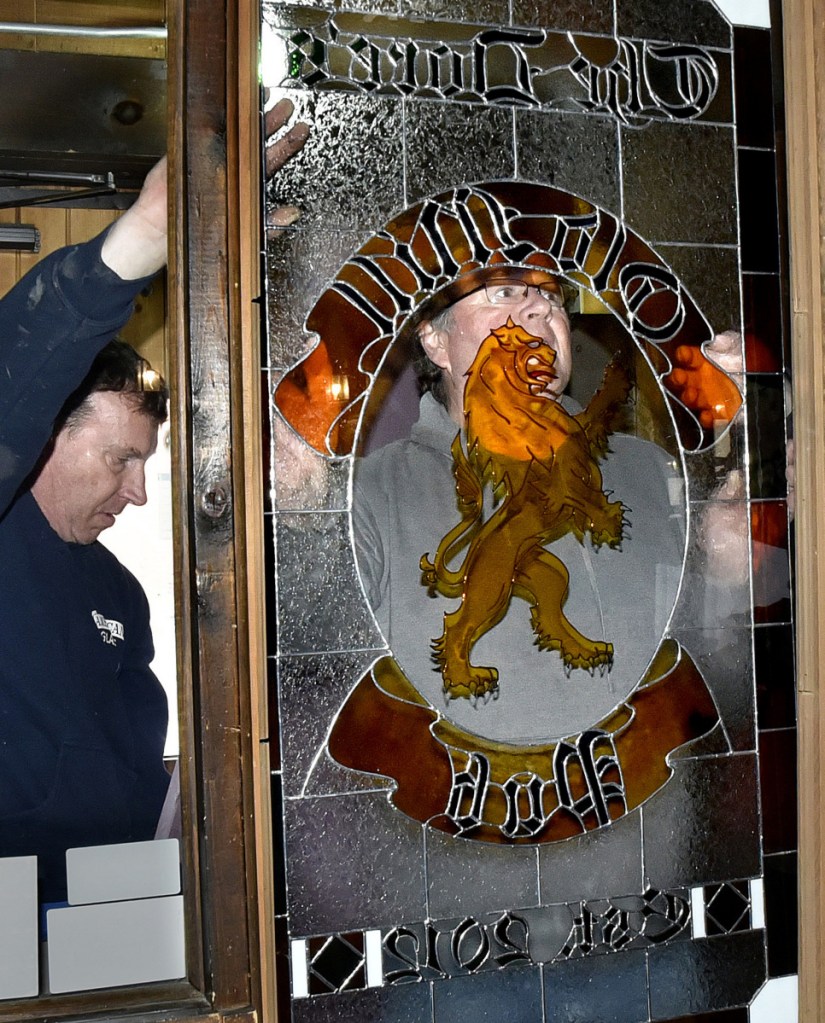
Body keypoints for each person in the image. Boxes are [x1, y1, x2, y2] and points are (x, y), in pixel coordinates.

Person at [0, 99, 308, 902]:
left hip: (109, 910)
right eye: (121, 459)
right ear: (45, 435)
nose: (137, 492)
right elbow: (13, 374)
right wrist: (139, 238)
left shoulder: (116, 589)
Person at [353, 267, 688, 747]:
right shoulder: (370, 494)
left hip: (645, 807)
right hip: (468, 810)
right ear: (435, 341)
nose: (541, 308)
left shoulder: (653, 471)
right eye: (505, 291)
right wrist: (301, 505)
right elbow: (310, 657)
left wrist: (728, 569)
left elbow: (724, 674)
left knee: (549, 585)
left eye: (552, 295)